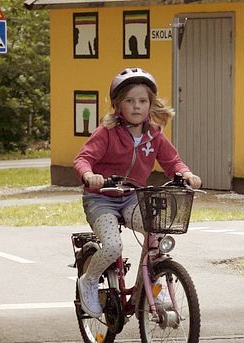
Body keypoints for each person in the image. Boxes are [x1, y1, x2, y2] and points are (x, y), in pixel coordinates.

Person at [73, 68, 202, 318]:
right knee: (112, 246)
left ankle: (154, 286)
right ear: (117, 104)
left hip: (133, 196)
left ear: (150, 104)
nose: (136, 106)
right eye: (129, 101)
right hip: (102, 198)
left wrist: (186, 174)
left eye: (142, 101)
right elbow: (83, 158)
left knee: (155, 228)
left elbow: (172, 161)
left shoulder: (154, 135)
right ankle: (89, 280)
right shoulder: (106, 133)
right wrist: (89, 175)